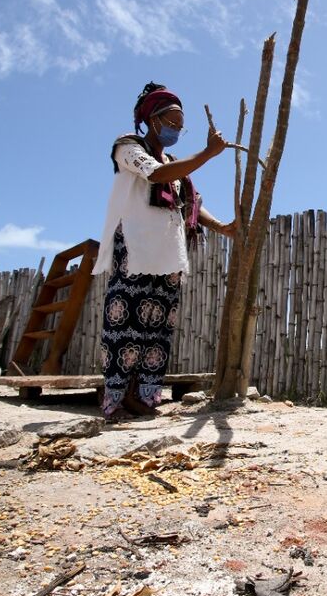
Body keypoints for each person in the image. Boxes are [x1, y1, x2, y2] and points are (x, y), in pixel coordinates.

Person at [93, 82, 235, 420]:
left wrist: (224, 228)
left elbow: (192, 205)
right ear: (152, 119)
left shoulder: (175, 164)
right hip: (136, 248)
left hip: (169, 254)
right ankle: (119, 396)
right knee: (125, 322)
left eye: (179, 124)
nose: (175, 129)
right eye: (171, 121)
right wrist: (206, 154)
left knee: (157, 327)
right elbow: (156, 175)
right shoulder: (128, 147)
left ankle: (146, 394)